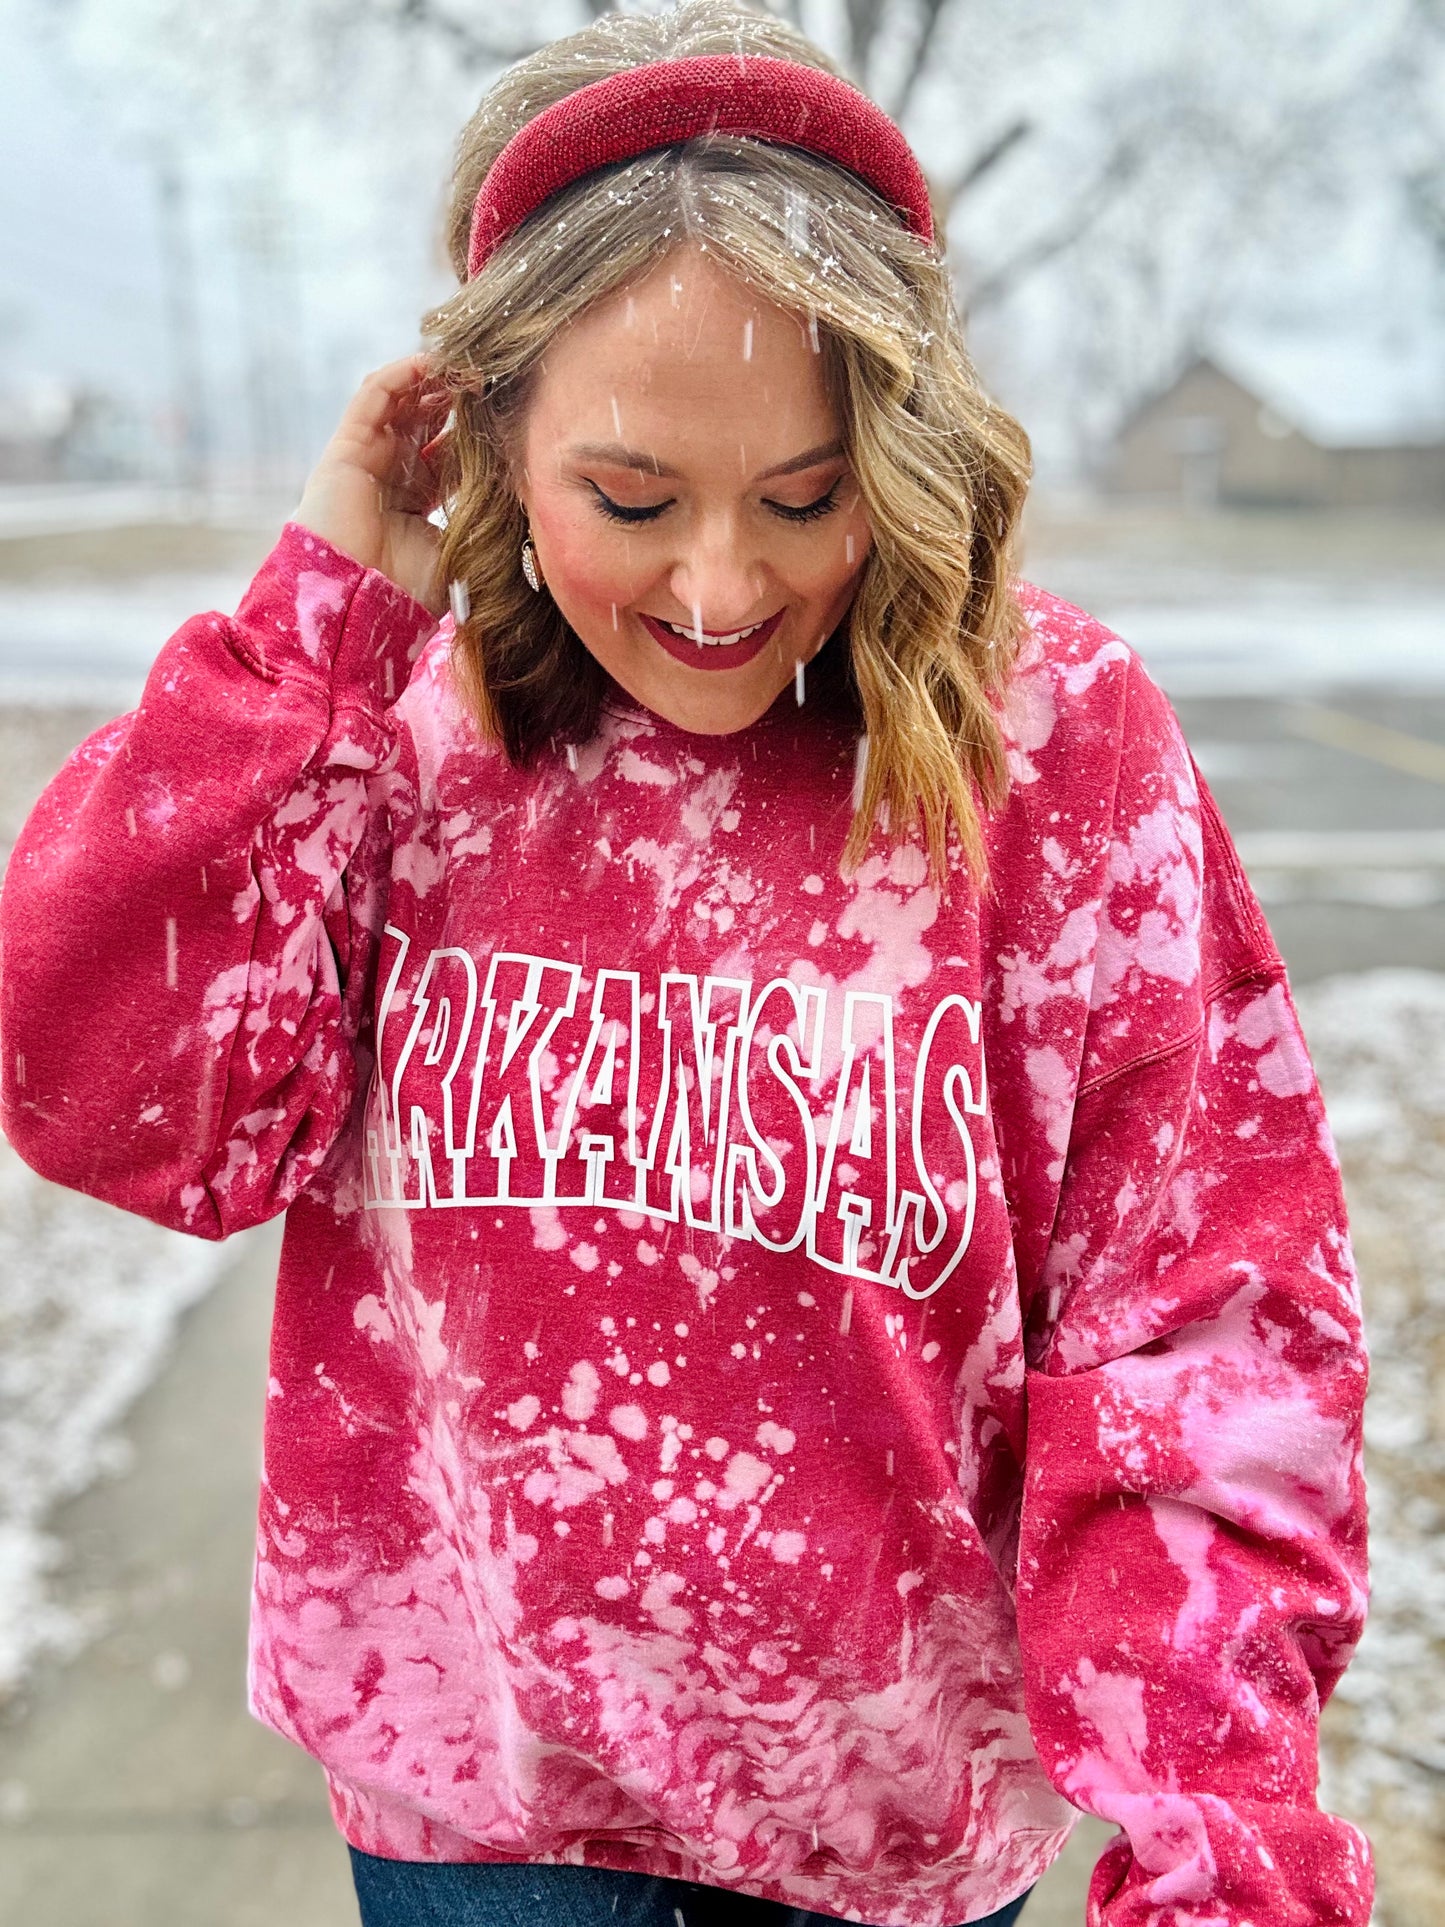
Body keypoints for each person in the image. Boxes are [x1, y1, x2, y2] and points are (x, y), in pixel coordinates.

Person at [0, 5, 1372, 1925]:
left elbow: (1194, 1337)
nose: (721, 592)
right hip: (477, 1815)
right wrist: (318, 616)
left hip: (888, 1836)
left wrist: (1213, 1841)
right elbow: (120, 1098)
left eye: (804, 498)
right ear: (485, 436)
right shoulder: (391, 734)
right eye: (631, 500)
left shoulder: (1047, 753)